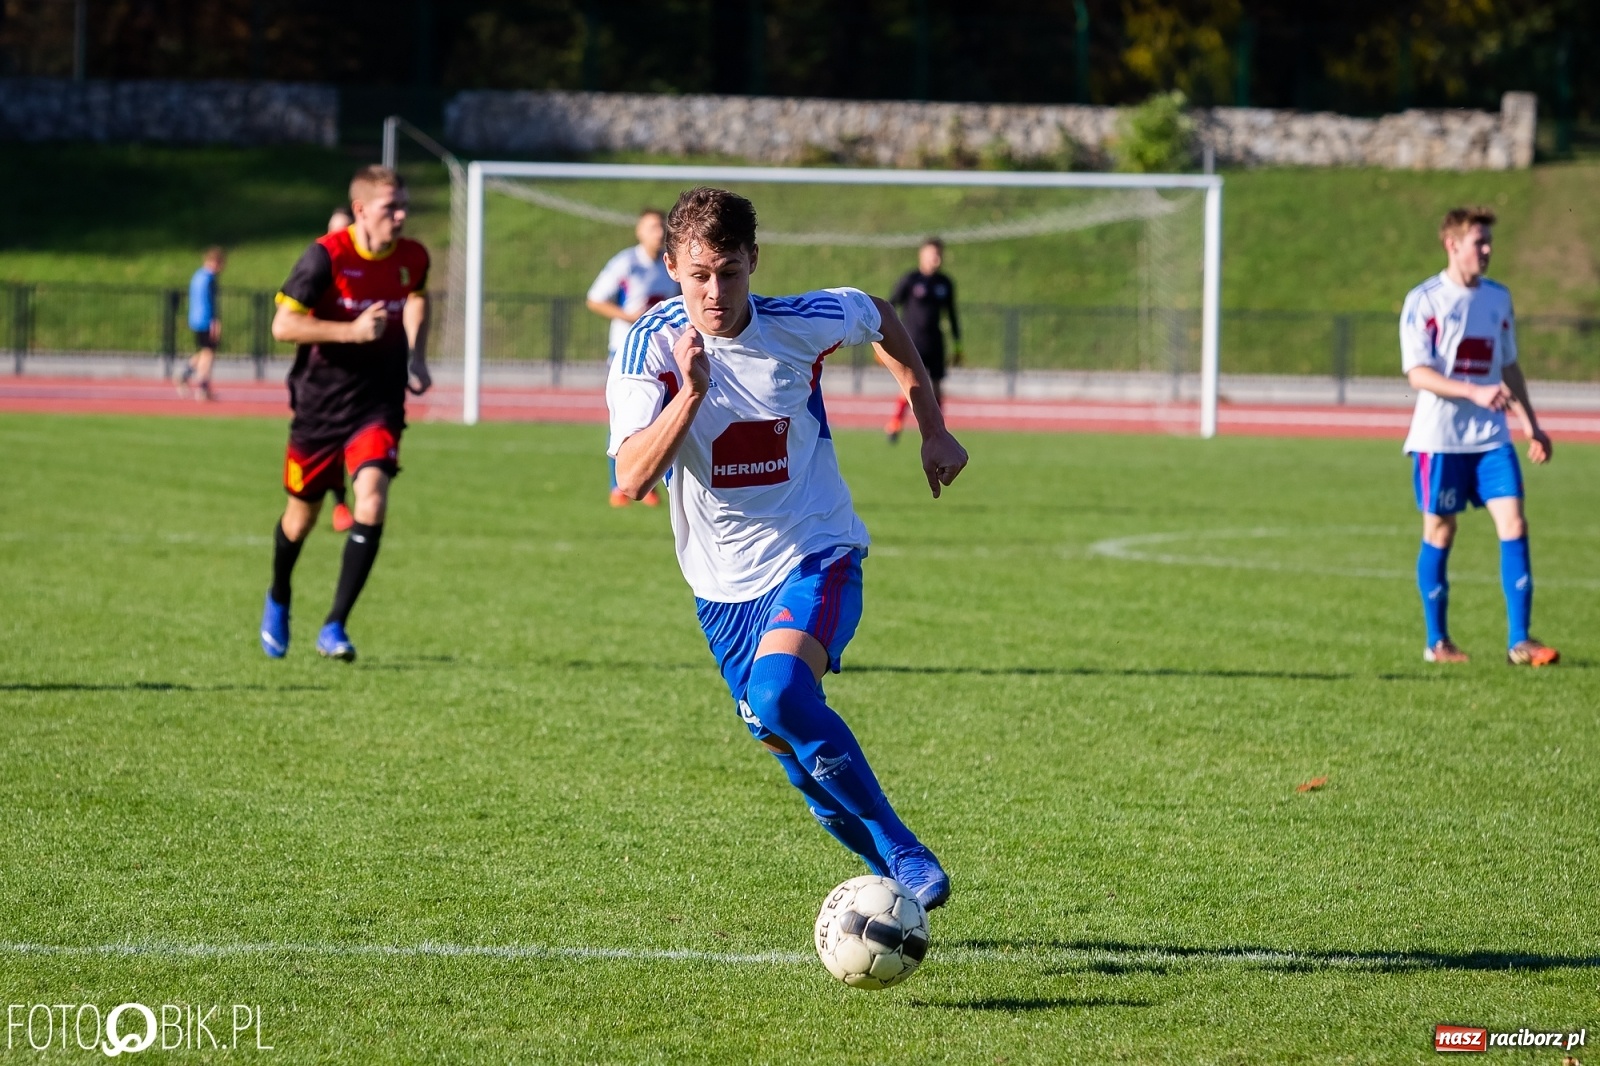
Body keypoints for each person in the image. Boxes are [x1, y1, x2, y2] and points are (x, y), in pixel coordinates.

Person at [607, 187, 969, 909]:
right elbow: (631, 473)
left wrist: (931, 424)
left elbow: (884, 319)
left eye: (731, 272)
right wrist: (689, 395)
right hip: (720, 590)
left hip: (816, 549)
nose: (715, 291)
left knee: (780, 693)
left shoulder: (800, 322)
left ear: (753, 263)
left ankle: (905, 850)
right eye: (700, 273)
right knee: (802, 769)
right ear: (673, 267)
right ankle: (895, 888)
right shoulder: (650, 345)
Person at [259, 165, 431, 662]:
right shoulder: (324, 257)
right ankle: (279, 594)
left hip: (378, 401)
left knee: (371, 499)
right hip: (319, 406)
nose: (399, 217)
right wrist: (349, 332)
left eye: (403, 207)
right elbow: (283, 325)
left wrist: (416, 354)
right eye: (388, 208)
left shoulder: (413, 256)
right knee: (301, 518)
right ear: (360, 210)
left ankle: (335, 625)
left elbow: (417, 295)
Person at [1401, 206, 1558, 666]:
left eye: (1489, 242)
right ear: (1452, 244)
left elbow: (1508, 364)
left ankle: (1520, 641)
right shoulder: (1425, 300)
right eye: (1479, 242)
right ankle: (1438, 642)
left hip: (1491, 437)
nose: (1487, 250)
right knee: (1440, 530)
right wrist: (1473, 389)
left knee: (1515, 524)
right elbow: (1418, 374)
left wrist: (1531, 422)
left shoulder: (1498, 299)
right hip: (1439, 438)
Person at [587, 207, 680, 507]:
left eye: (661, 227)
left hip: (662, 351)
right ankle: (619, 486)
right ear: (639, 231)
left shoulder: (672, 263)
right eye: (651, 227)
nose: (658, 232)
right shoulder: (626, 263)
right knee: (629, 417)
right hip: (626, 350)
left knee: (666, 416)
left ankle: (656, 482)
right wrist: (628, 316)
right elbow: (595, 299)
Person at [883, 238, 961, 443]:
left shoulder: (945, 283)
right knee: (910, 385)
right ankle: (895, 424)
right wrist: (886, 340)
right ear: (922, 255)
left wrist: (958, 345)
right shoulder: (910, 280)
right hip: (912, 342)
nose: (935, 258)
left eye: (938, 254)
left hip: (935, 343)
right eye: (931, 254)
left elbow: (952, 315)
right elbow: (890, 307)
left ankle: (938, 429)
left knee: (936, 388)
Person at [325, 204, 356, 534]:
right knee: (331, 445)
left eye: (342, 230)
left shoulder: (369, 270)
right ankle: (339, 503)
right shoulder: (316, 266)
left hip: (362, 374)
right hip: (325, 375)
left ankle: (348, 505)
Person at [178, 247, 225, 400]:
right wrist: (214, 322)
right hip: (206, 319)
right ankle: (203, 388)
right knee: (208, 354)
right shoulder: (210, 278)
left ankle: (185, 374)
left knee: (205, 351)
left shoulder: (197, 276)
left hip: (195, 318)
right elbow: (210, 302)